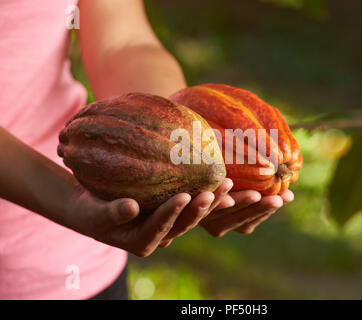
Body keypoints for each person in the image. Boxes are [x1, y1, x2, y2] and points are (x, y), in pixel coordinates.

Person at [0, 0, 294, 299]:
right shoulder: (66, 197)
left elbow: (123, 42)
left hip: (77, 265)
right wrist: (62, 197)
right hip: (64, 206)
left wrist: (169, 133)